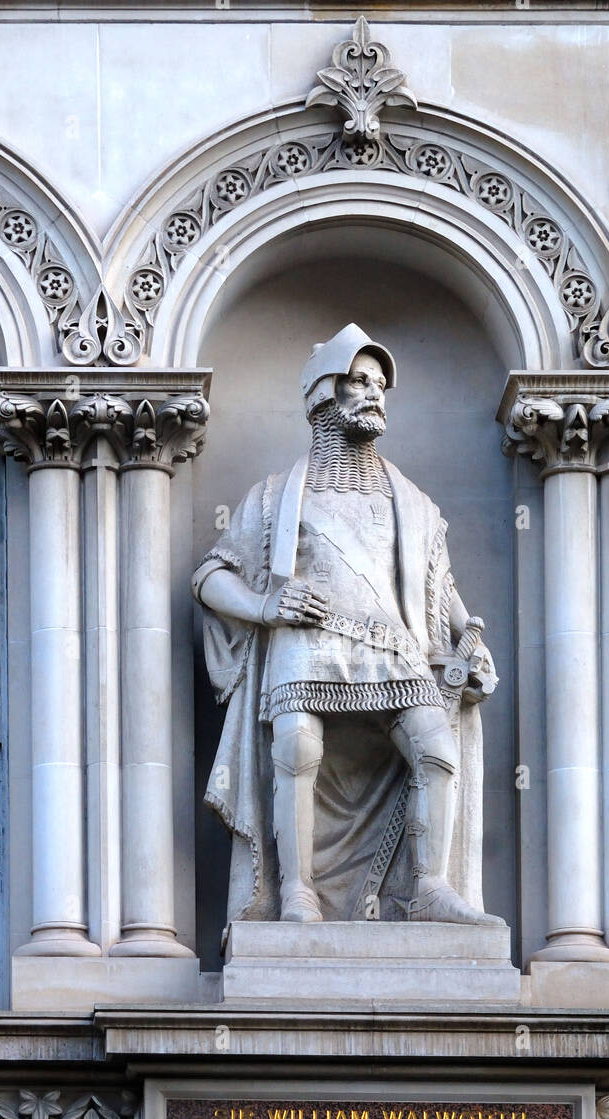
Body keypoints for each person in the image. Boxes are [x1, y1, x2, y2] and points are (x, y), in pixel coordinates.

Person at [193, 323, 502, 929]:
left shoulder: (409, 500)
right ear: (325, 393)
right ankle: (296, 891)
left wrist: (471, 635)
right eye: (359, 381)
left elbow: (438, 587)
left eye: (380, 385)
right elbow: (210, 577)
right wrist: (266, 606)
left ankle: (429, 888)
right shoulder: (277, 496)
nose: (374, 394)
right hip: (304, 642)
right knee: (296, 748)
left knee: (437, 750)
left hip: (394, 646)